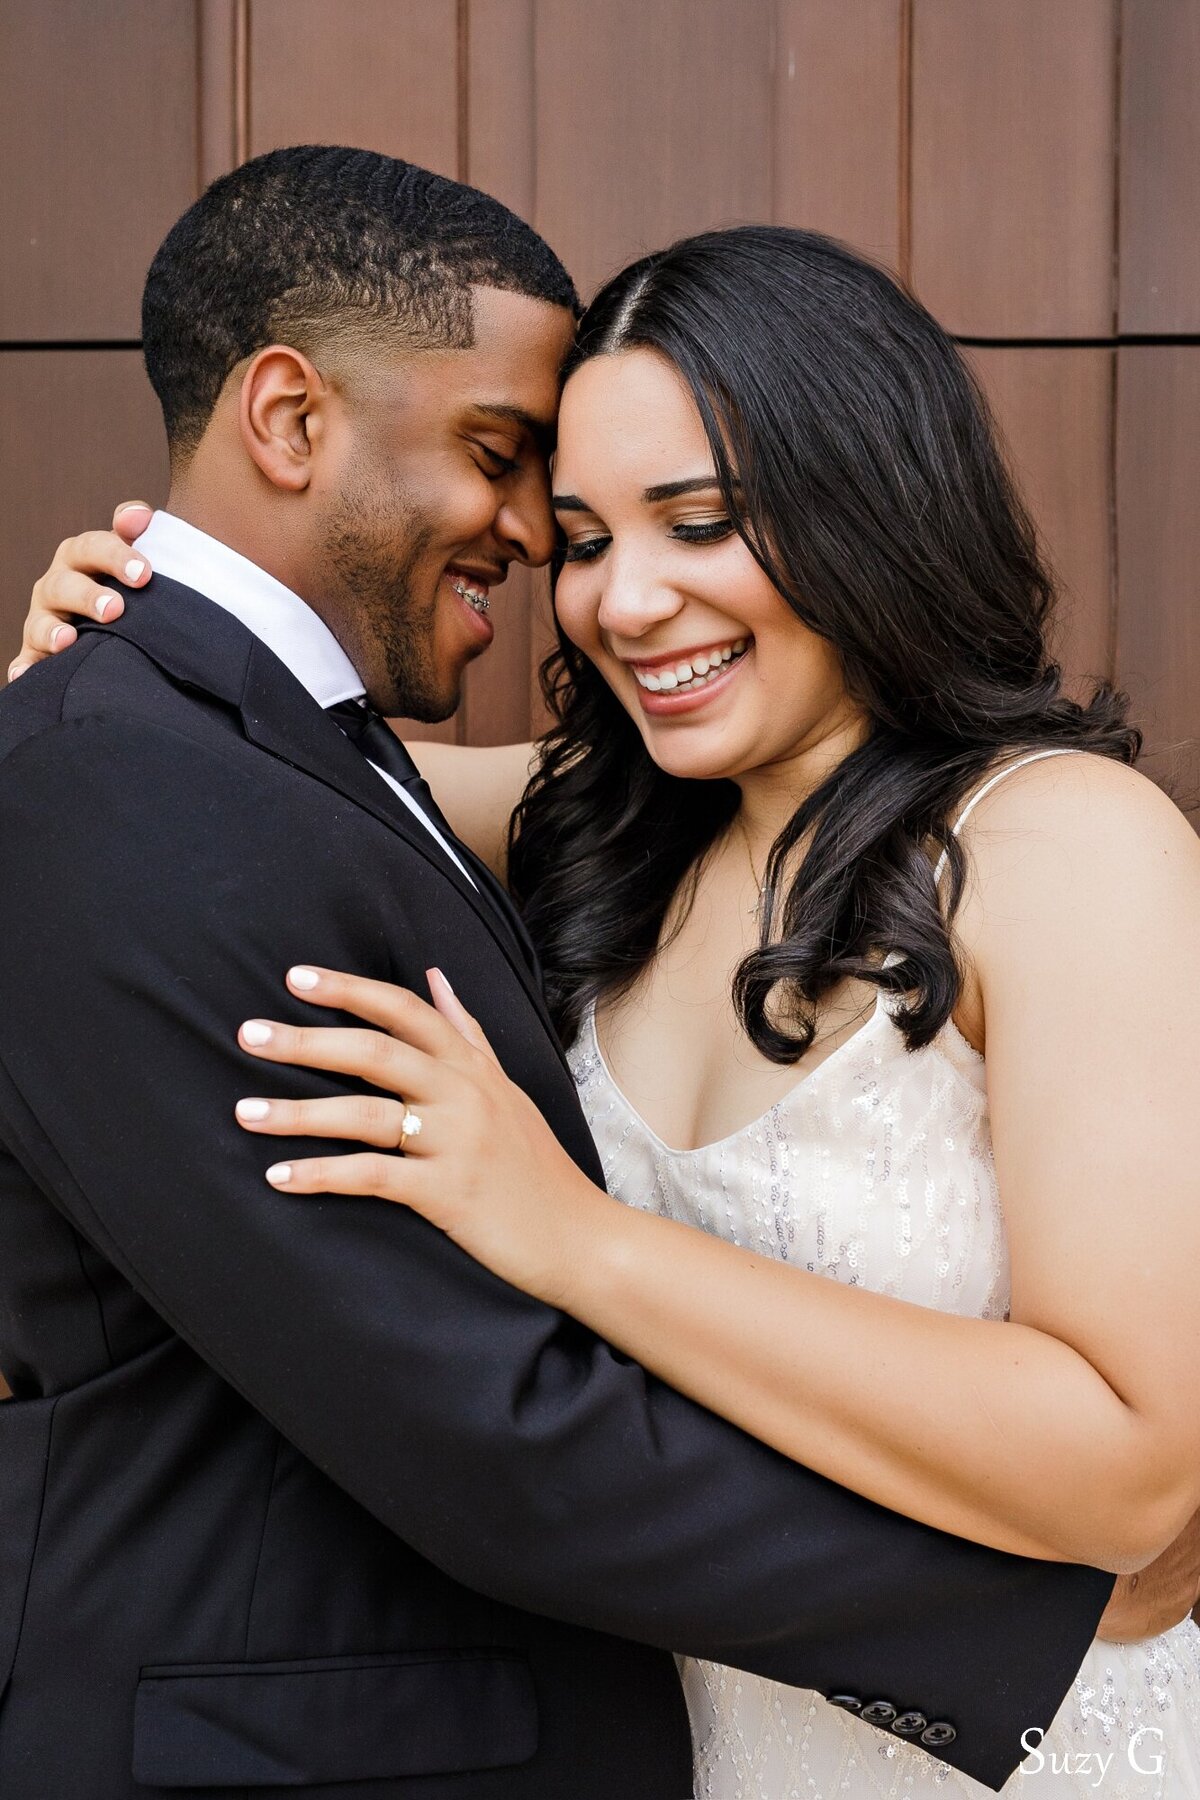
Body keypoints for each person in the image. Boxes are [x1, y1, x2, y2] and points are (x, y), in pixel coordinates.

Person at [24, 226, 1200, 1797]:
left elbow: (1130, 1461)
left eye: (699, 524)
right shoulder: (575, 825)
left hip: (1020, 1749)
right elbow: (215, 771)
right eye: (578, 539)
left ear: (872, 504)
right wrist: (118, 624)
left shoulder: (1064, 846)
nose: (624, 603)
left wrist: (578, 1241)